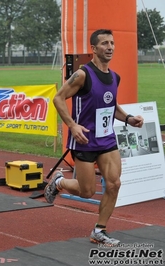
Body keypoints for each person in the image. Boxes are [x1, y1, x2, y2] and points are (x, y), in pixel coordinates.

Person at [45, 29, 144, 246]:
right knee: (87, 191)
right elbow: (58, 99)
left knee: (114, 183)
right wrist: (72, 126)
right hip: (85, 140)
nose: (110, 47)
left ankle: (100, 230)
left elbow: (111, 106)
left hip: (107, 139)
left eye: (112, 43)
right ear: (94, 48)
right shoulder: (82, 75)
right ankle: (59, 182)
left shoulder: (114, 77)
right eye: (104, 43)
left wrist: (128, 118)